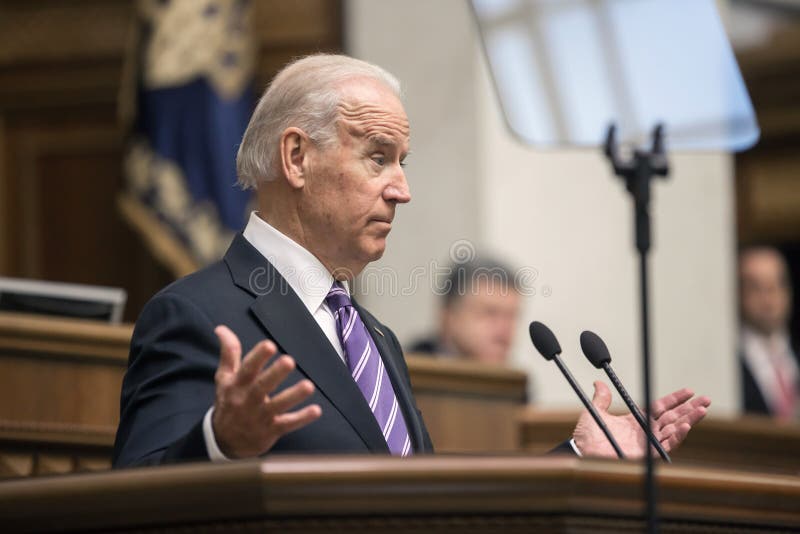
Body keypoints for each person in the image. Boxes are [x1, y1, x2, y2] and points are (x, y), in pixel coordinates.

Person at [113, 54, 710, 467]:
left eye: (403, 161)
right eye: (378, 158)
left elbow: (428, 510)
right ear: (296, 158)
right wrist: (220, 441)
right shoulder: (192, 315)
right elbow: (135, 504)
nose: (402, 189)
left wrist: (580, 458)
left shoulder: (375, 338)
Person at [409, 257, 520, 365]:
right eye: (490, 313)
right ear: (449, 317)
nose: (503, 331)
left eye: (511, 316)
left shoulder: (518, 381)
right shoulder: (402, 375)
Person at [739, 245, 799, 420]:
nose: (769, 297)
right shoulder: (728, 364)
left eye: (777, 284)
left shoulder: (794, 354)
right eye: (756, 287)